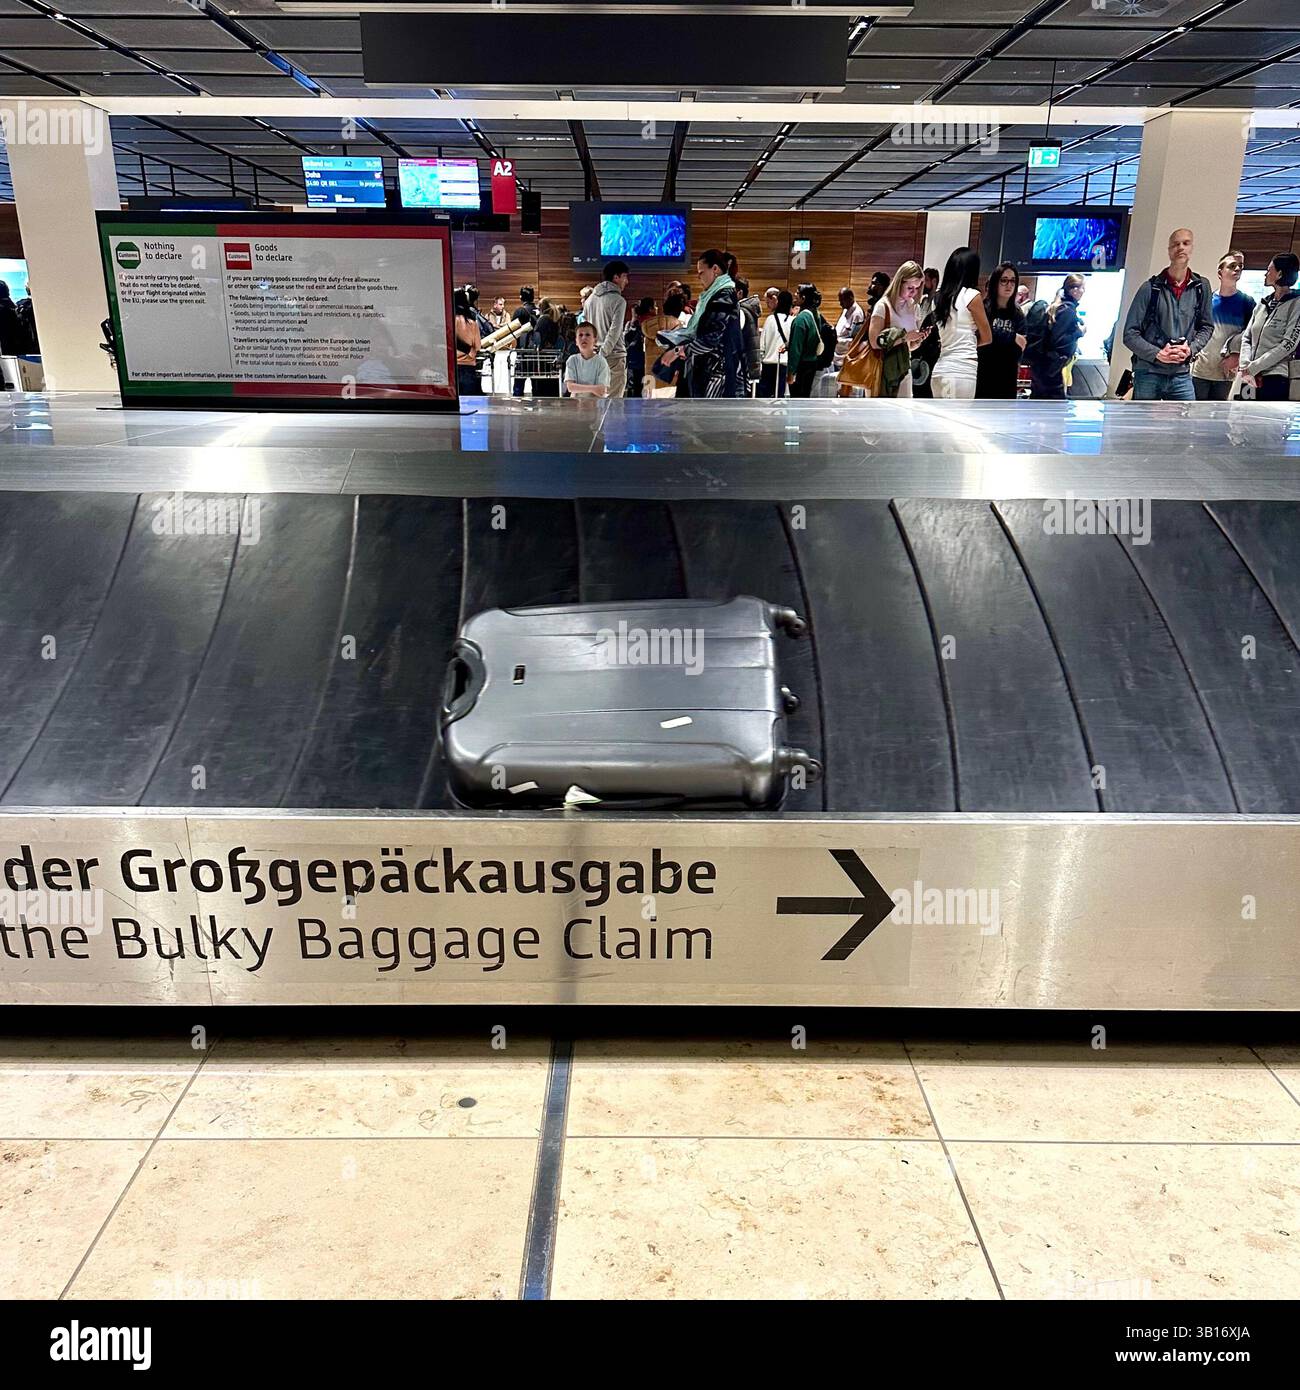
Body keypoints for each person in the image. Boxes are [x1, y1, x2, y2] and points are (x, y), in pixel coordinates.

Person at [1121, 227, 1214, 402]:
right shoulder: (1149, 288)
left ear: (1192, 248)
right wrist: (1157, 353)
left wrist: (1191, 349)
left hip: (1181, 374)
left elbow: (1207, 326)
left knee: (1185, 425)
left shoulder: (1202, 287)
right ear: (1169, 250)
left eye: (1185, 243)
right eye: (1175, 244)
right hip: (1148, 372)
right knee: (1144, 426)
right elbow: (1129, 334)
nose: (1181, 248)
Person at [655, 249, 746, 398]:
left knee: (711, 418)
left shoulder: (723, 296)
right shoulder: (715, 296)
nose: (698, 277)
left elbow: (712, 338)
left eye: (701, 272)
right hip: (713, 369)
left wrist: (678, 351)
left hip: (718, 373)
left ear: (715, 269)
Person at [854, 260, 931, 399]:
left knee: (903, 417)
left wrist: (917, 340)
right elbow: (875, 342)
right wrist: (905, 337)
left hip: (904, 370)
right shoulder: (883, 306)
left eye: (917, 288)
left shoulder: (913, 307)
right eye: (910, 287)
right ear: (899, 282)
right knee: (879, 417)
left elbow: (909, 347)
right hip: (881, 370)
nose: (913, 292)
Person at [1191, 251, 1255, 401]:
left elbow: (1251, 335)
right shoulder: (1206, 301)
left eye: (1240, 266)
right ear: (1220, 272)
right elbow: (1195, 329)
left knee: (1217, 416)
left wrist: (1237, 356)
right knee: (1195, 414)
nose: (1237, 269)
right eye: (1232, 266)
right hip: (1201, 369)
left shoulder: (1247, 303)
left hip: (1225, 372)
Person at [931, 247, 992, 401]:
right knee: (956, 422)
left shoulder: (938, 299)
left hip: (940, 370)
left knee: (940, 423)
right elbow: (987, 337)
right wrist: (968, 343)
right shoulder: (971, 296)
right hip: (962, 370)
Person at [1237, 253, 1300, 402]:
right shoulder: (1262, 303)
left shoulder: (1296, 303)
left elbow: (1288, 345)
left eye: (1269, 270)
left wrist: (1254, 367)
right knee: (1245, 420)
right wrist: (1245, 366)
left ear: (1279, 274)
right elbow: (1247, 337)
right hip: (1249, 376)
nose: (1265, 274)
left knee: (1268, 423)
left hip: (1275, 377)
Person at [1025, 274, 1086, 400]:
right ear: (1073, 290)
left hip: (1042, 366)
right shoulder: (1068, 310)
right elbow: (1059, 340)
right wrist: (1079, 332)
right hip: (1052, 369)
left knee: (1037, 406)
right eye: (1082, 288)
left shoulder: (1057, 307)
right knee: (1055, 411)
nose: (1083, 291)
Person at [976, 262, 1027, 399]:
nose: (1009, 285)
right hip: (983, 375)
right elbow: (979, 340)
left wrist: (995, 336)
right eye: (1004, 280)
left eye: (1012, 281)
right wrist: (1011, 337)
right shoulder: (983, 309)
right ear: (995, 282)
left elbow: (1021, 345)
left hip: (1007, 377)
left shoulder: (1017, 314)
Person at [585, 259, 630, 398]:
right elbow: (614, 332)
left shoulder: (589, 300)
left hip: (593, 355)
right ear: (616, 277)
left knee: (593, 404)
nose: (626, 281)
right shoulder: (619, 301)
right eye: (625, 276)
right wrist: (603, 354)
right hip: (614, 358)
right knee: (613, 405)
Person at [785, 284, 823, 398]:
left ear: (803, 298)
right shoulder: (816, 314)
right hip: (812, 363)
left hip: (801, 366)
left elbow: (796, 348)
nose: (795, 295)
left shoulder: (800, 319)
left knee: (796, 401)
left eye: (797, 293)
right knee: (805, 398)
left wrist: (791, 372)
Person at [758, 288, 793, 398]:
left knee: (765, 398)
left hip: (768, 364)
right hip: (784, 365)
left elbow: (762, 345)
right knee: (780, 398)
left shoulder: (770, 319)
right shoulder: (793, 321)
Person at [564, 322, 610, 398]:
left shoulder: (601, 362)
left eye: (587, 335)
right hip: (576, 406)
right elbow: (570, 387)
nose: (584, 338)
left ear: (595, 341)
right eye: (580, 335)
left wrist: (578, 388)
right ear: (576, 341)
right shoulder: (572, 360)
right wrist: (593, 389)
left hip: (596, 406)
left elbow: (601, 390)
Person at [510, 286, 539, 396]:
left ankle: (518, 409)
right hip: (537, 353)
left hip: (523, 351)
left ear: (521, 297)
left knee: (518, 385)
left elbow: (512, 330)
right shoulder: (538, 311)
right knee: (536, 385)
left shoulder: (520, 311)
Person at [453, 287, 482, 397]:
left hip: (452, 367)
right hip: (469, 366)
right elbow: (478, 346)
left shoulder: (449, 322)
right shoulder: (472, 323)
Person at [736, 277, 763, 393]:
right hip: (746, 364)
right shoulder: (748, 310)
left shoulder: (741, 311)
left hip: (740, 366)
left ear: (739, 293)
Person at [626, 295, 655, 398]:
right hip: (650, 361)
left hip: (634, 361)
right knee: (649, 390)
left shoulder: (633, 323)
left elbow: (626, 339)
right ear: (650, 308)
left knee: (634, 390)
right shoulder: (654, 323)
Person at [833, 287, 865, 376]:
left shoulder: (857, 314)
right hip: (837, 354)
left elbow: (856, 339)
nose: (840, 304)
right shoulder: (846, 309)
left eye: (842, 301)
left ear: (850, 298)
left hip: (845, 356)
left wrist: (838, 340)